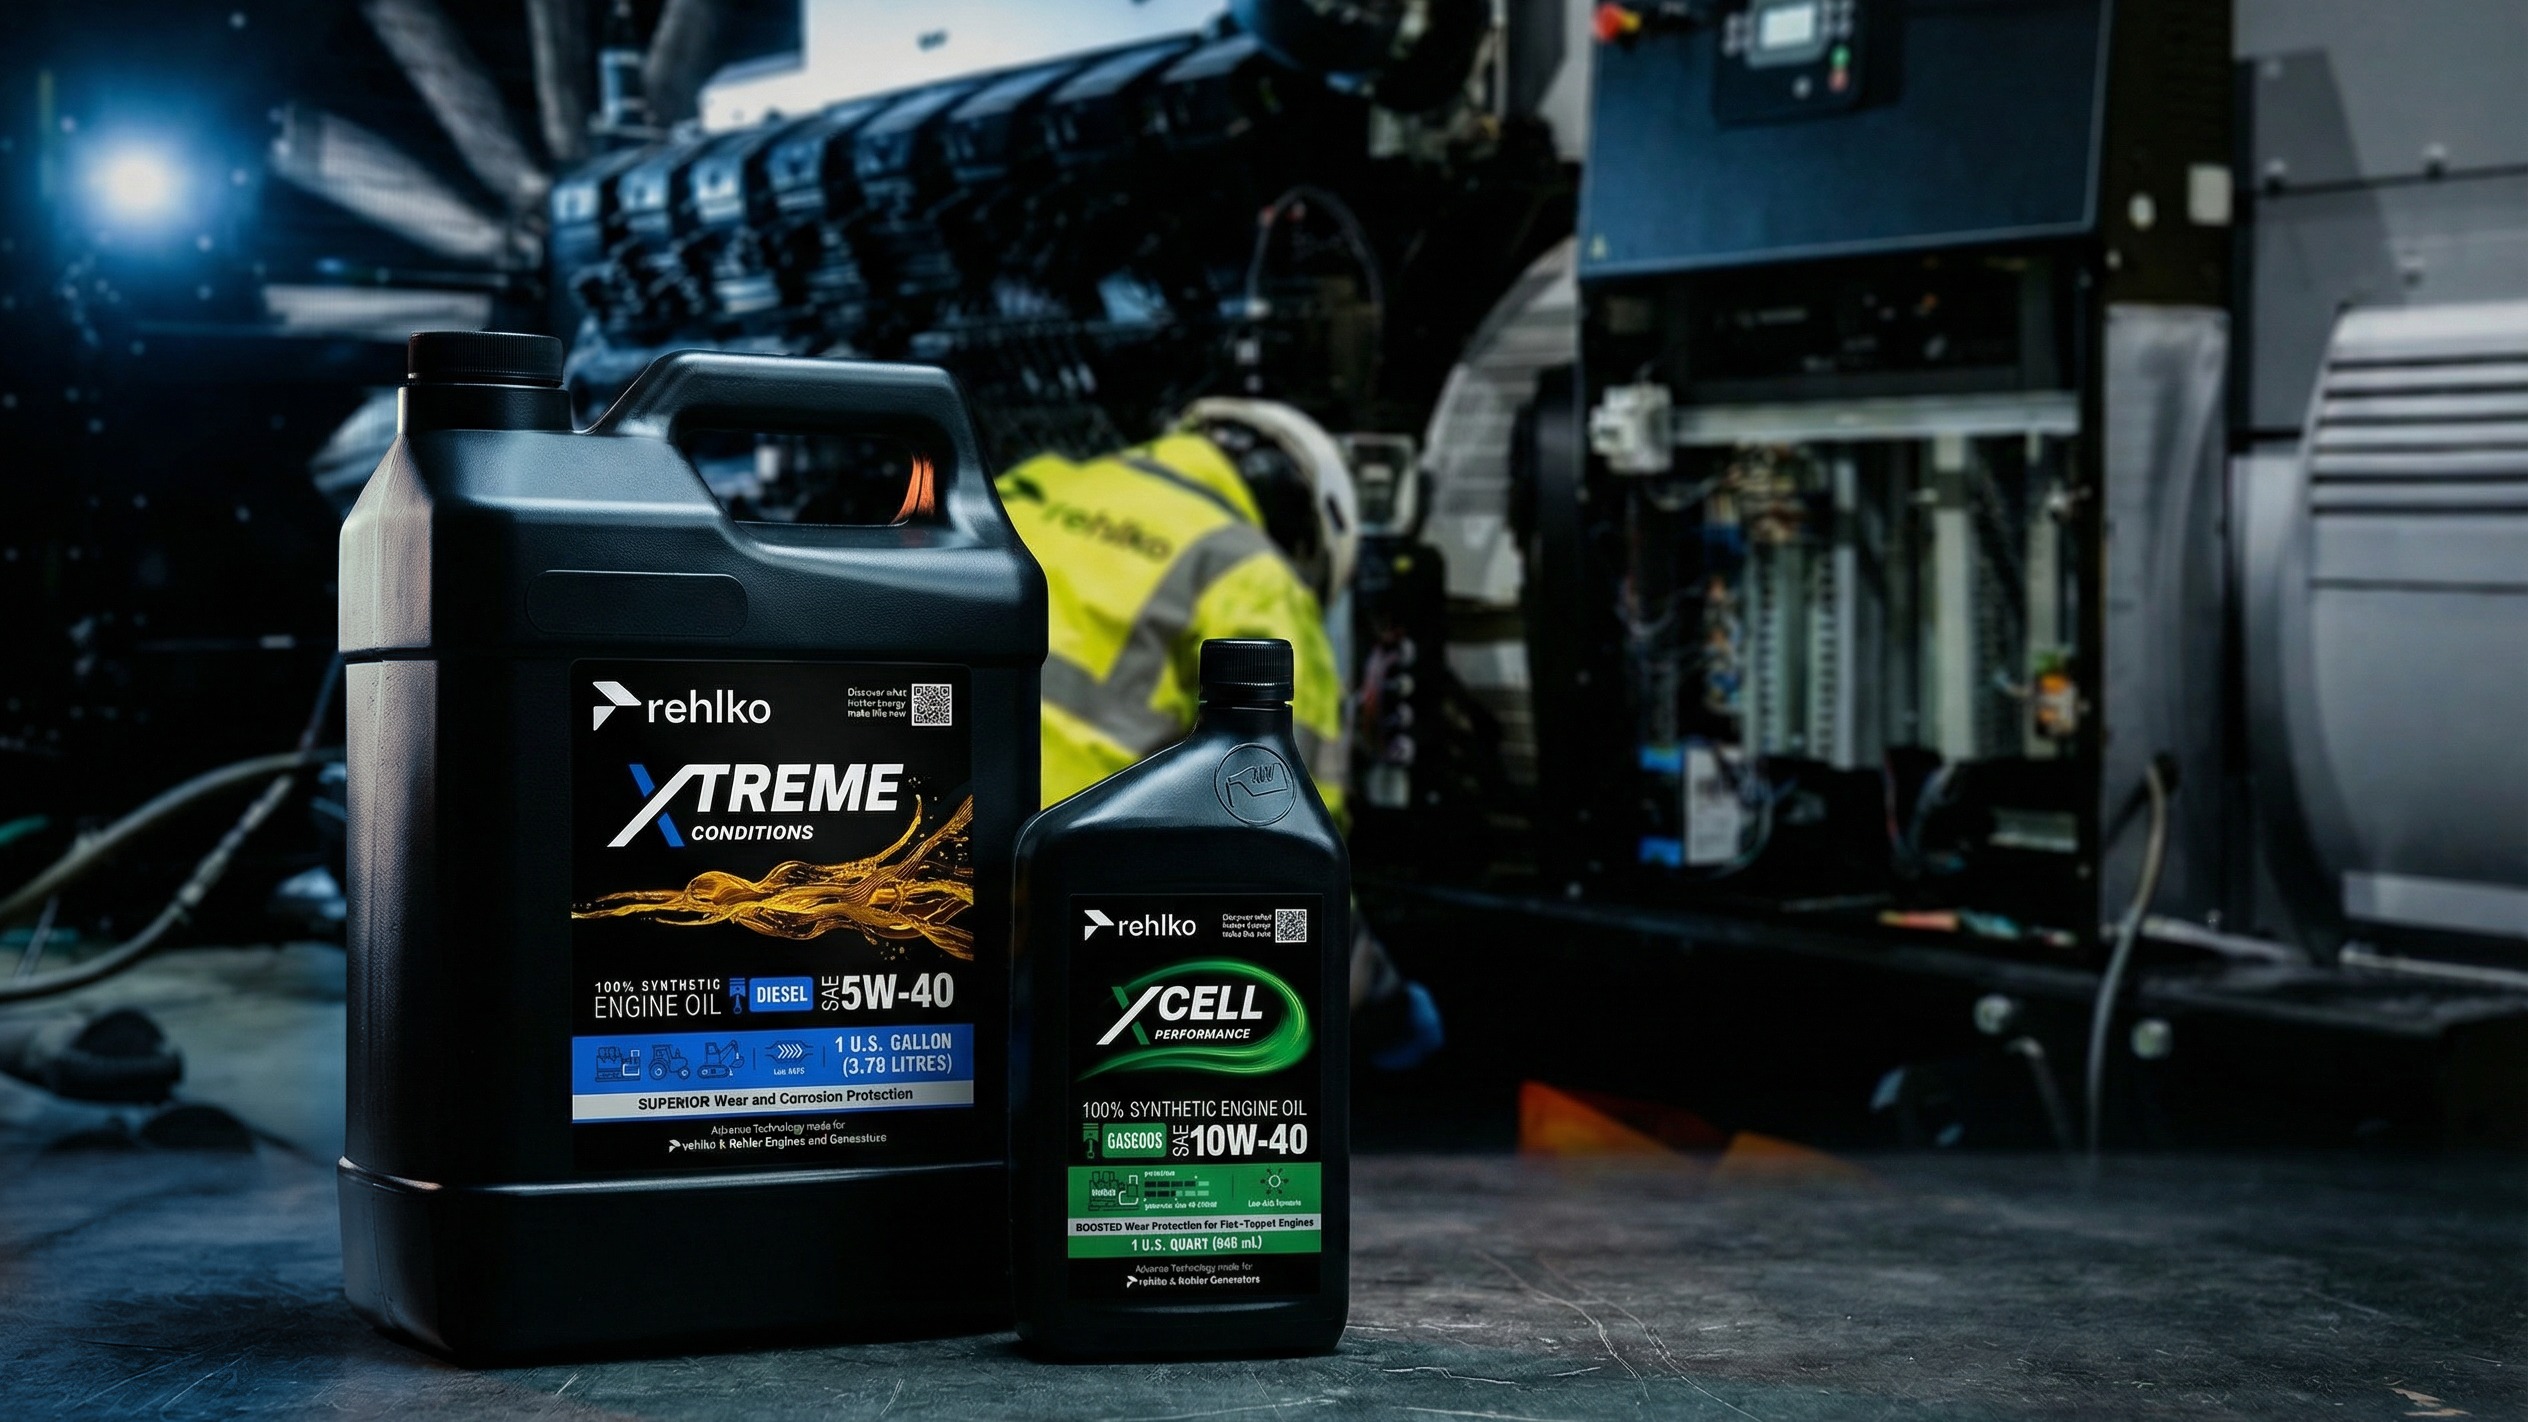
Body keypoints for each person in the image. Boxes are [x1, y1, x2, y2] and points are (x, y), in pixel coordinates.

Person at [997, 399, 1442, 1068]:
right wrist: (1382, 1002)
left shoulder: (1036, 485)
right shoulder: (1253, 580)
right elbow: (1287, 854)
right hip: (1055, 893)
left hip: (906, 827)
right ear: (1298, 517)